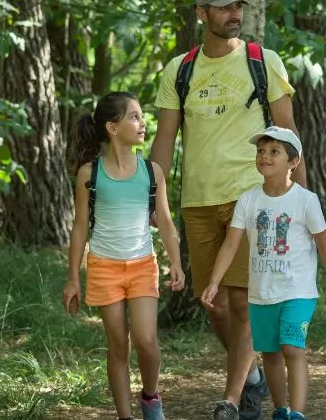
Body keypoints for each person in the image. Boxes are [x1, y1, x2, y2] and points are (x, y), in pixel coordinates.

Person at [150, 0, 301, 420]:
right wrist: (152, 198)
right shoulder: (179, 69)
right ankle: (251, 374)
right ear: (201, 13)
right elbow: (164, 139)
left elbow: (289, 132)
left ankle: (233, 400)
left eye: (237, 7)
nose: (233, 14)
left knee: (240, 300)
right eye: (221, 8)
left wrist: (299, 197)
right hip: (198, 200)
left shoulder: (262, 61)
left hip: (249, 197)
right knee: (212, 304)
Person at [202, 126, 326, 420]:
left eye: (274, 152)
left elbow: (325, 247)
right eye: (261, 151)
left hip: (298, 292)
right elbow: (230, 245)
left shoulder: (306, 200)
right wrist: (215, 282)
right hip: (262, 294)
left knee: (292, 347)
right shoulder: (248, 199)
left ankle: (298, 414)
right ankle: (281, 410)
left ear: (293, 162)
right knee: (271, 354)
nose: (264, 156)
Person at [63, 92, 185, 420]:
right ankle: (125, 416)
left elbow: (168, 224)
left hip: (143, 265)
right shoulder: (90, 174)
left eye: (141, 116)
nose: (142, 123)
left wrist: (175, 261)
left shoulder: (151, 171)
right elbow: (79, 229)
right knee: (118, 344)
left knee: (146, 340)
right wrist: (73, 278)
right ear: (112, 127)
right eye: (134, 117)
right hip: (104, 267)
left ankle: (150, 396)